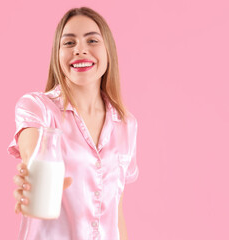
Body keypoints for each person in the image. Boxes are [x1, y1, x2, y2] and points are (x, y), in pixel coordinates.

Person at [8, 6, 139, 240]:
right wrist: (31, 183)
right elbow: (34, 157)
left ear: (108, 51)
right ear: (57, 55)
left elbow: (116, 213)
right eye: (69, 43)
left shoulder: (126, 124)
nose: (80, 50)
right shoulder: (37, 108)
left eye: (92, 40)